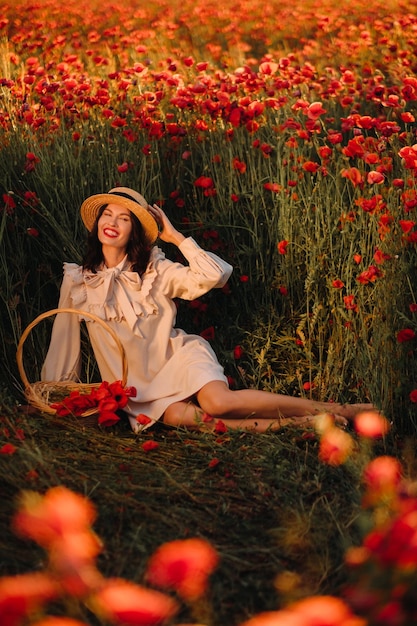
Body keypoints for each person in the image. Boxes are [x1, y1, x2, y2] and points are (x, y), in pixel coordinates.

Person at [42, 186, 374, 433]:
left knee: (219, 403)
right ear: (97, 221)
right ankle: (305, 424)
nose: (112, 222)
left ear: (135, 232)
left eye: (124, 218)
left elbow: (216, 275)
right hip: (135, 387)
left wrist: (175, 237)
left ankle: (342, 408)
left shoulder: (155, 270)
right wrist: (53, 392)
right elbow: (64, 341)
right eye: (107, 214)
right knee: (183, 418)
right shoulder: (78, 279)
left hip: (178, 358)